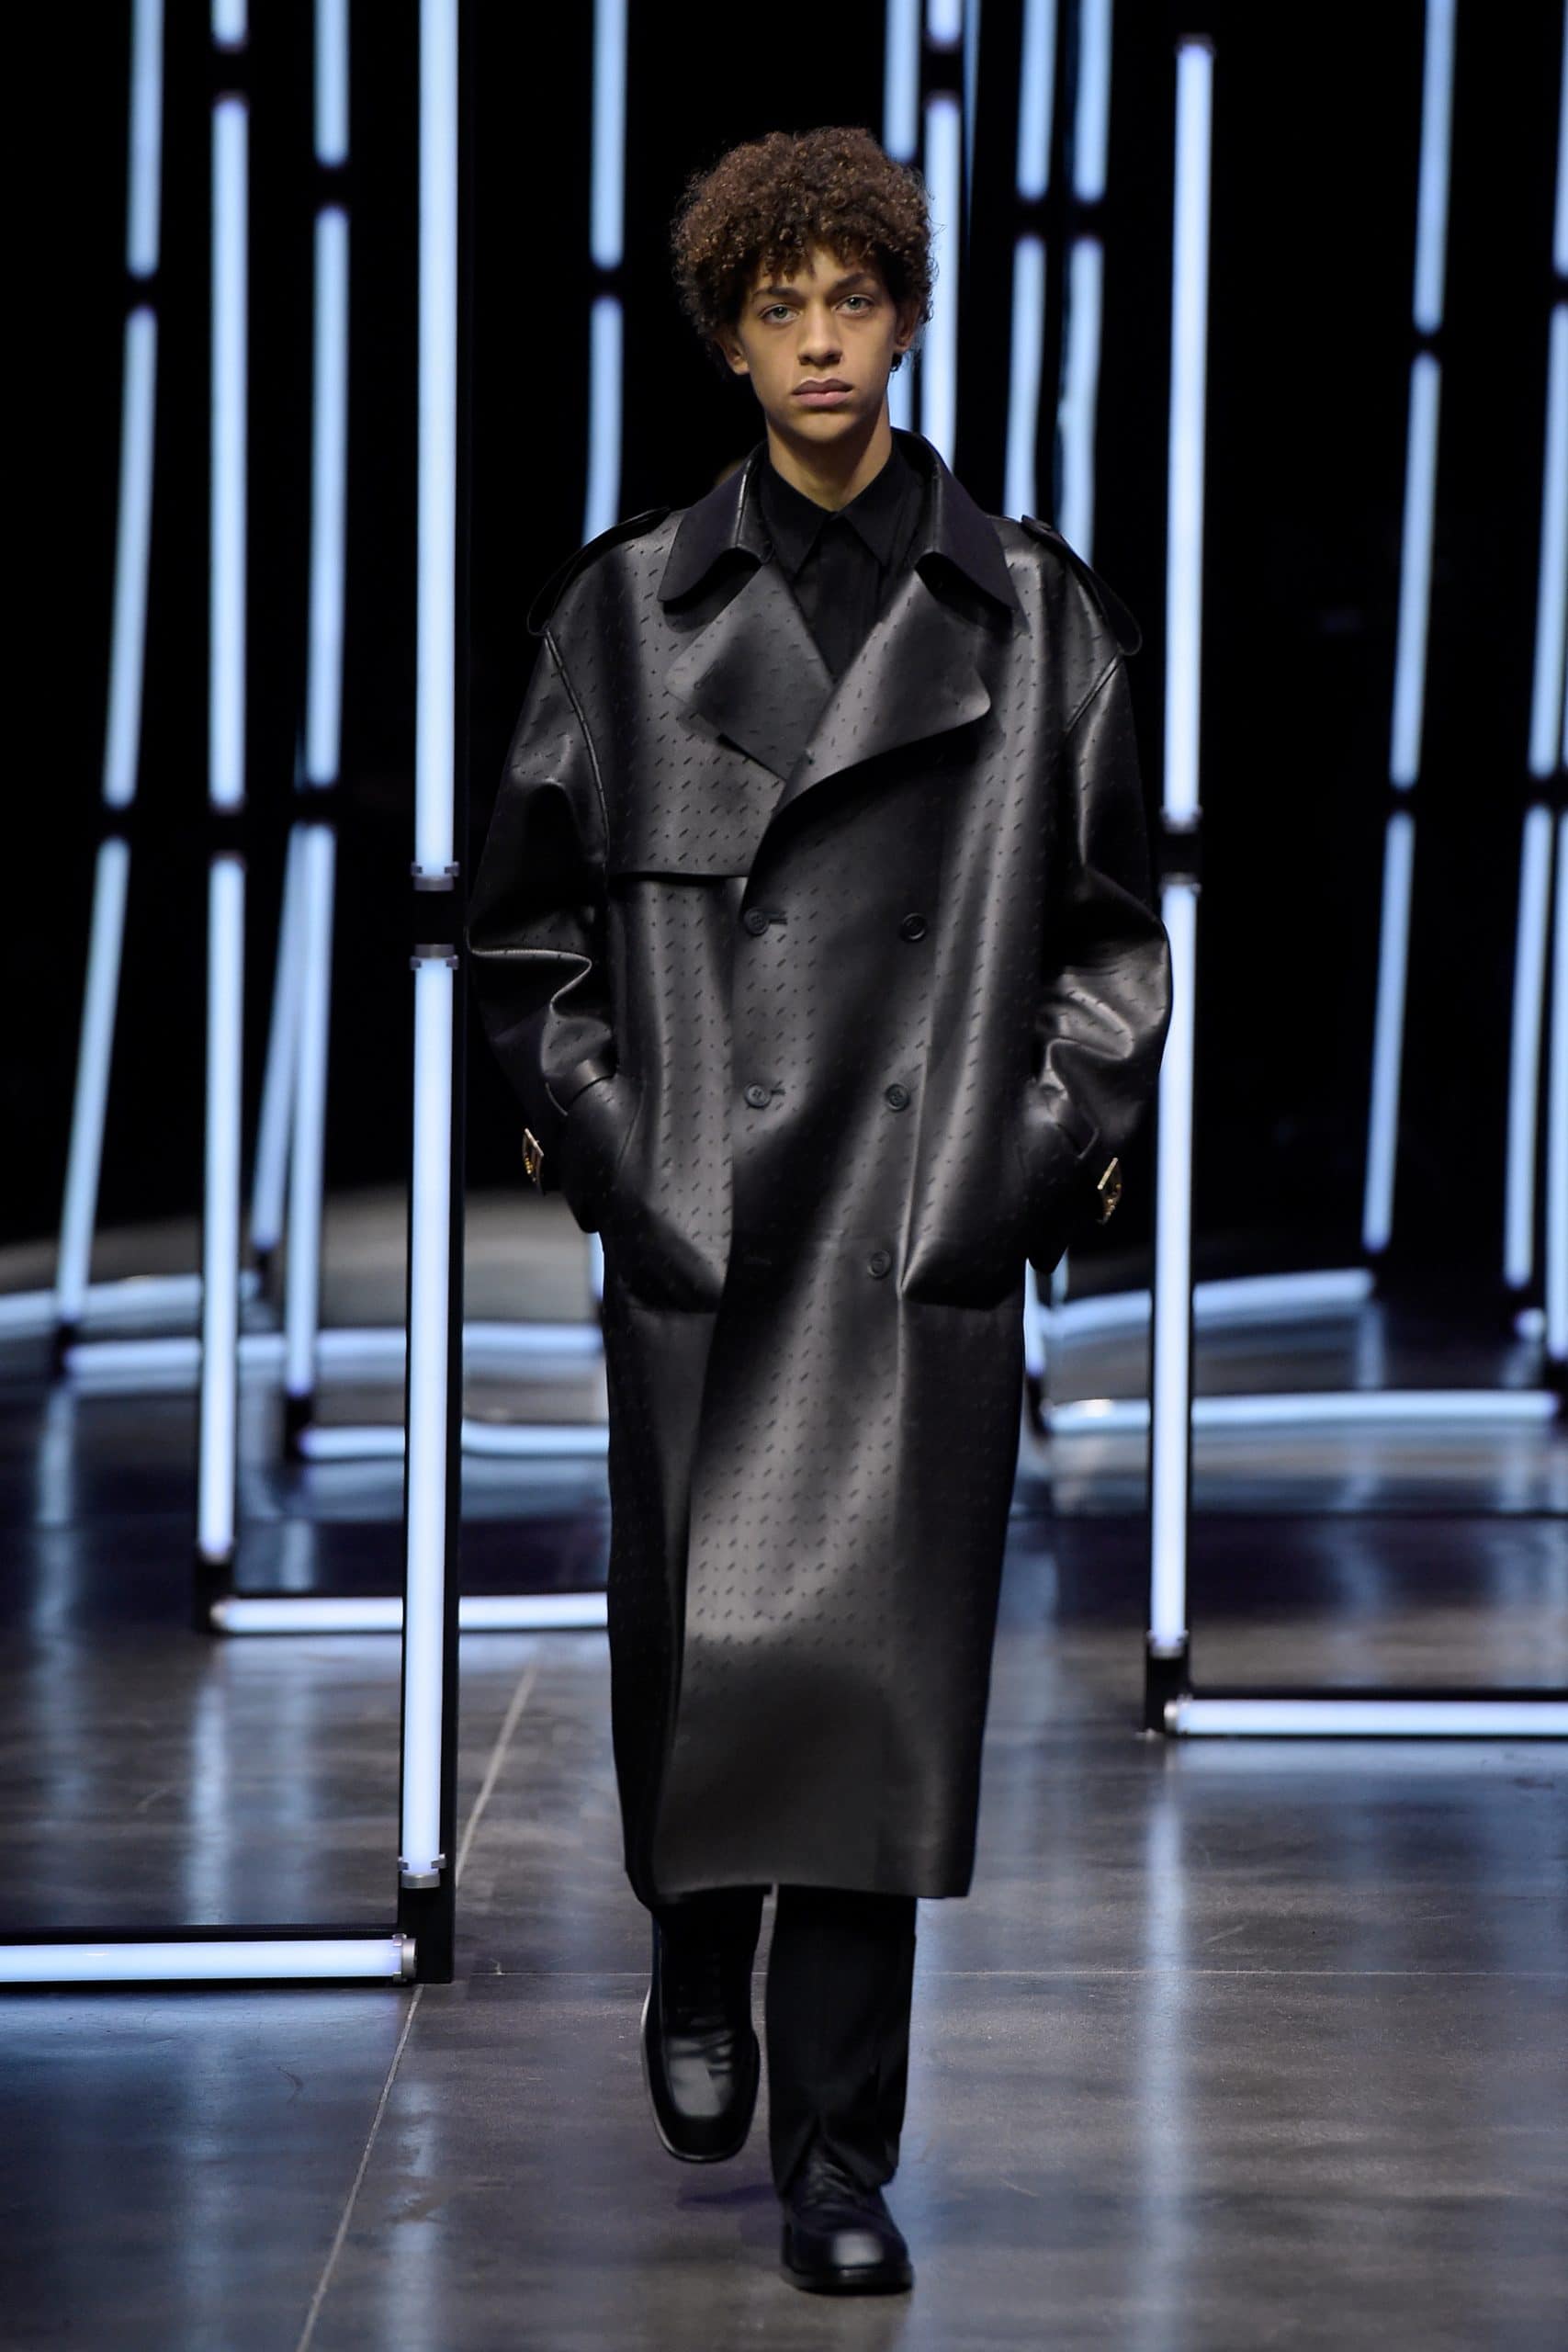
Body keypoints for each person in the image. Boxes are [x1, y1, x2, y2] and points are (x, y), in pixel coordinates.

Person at [468, 124, 1172, 2296]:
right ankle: (694, 1942)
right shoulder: (627, 607)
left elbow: (1107, 934)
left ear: (905, 313)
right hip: (711, 1222)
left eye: (848, 301)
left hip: (905, 1224)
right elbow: (527, 934)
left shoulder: (1029, 610)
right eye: (775, 309)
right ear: (727, 341)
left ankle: (839, 2158)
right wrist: (622, 1151)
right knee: (691, 1639)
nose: (818, 345)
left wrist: (1022, 1153)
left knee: (872, 1693)